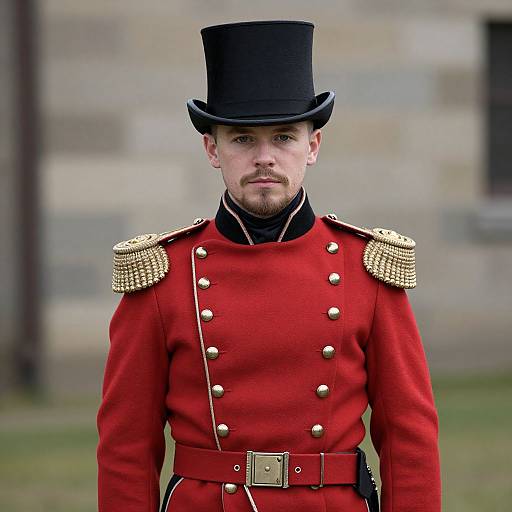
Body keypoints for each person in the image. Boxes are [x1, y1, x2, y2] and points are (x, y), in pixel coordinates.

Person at [96, 20, 441, 512]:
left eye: (283, 137)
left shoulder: (367, 269)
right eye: (241, 139)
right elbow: (126, 447)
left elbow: (410, 437)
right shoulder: (161, 275)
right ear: (212, 149)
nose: (264, 158)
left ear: (313, 145)